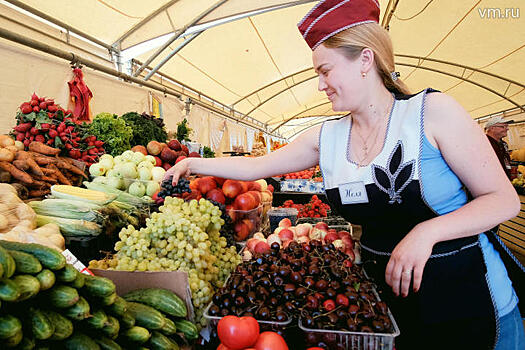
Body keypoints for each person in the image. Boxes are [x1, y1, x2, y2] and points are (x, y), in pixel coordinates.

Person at [165, 1, 524, 349]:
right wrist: (193, 164)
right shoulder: (328, 137)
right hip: (383, 310)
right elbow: (256, 166)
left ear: (365, 59)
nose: (320, 85)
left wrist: (428, 231)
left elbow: (503, 200)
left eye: (325, 70)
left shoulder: (431, 114)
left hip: (466, 301)